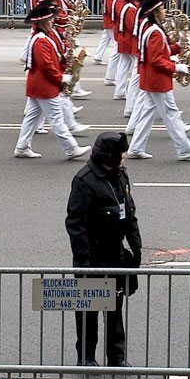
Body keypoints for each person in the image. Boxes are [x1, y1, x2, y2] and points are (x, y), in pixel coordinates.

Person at [65, 131, 141, 367]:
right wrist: (84, 264)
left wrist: (136, 249)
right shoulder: (85, 180)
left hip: (115, 255)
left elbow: (129, 213)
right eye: (121, 153)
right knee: (89, 311)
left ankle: (116, 357)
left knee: (115, 309)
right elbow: (76, 225)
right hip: (93, 257)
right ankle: (86, 357)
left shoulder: (119, 175)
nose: (124, 157)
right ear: (110, 156)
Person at [127, 0, 190, 161]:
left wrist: (177, 47)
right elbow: (156, 59)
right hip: (157, 80)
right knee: (171, 113)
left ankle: (136, 148)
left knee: (147, 114)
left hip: (151, 78)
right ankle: (184, 149)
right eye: (162, 9)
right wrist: (177, 67)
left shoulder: (151, 29)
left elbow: (161, 51)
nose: (165, 11)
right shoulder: (155, 32)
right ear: (155, 12)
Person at [14, 6, 91, 160]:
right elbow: (46, 66)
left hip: (38, 85)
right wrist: (61, 78)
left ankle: (22, 147)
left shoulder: (43, 37)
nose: (52, 21)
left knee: (31, 119)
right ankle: (71, 148)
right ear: (42, 22)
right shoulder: (40, 41)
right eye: (49, 20)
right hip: (44, 86)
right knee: (57, 119)